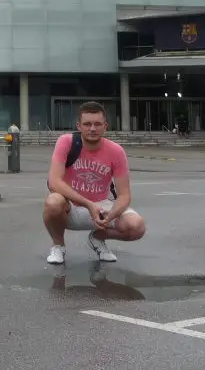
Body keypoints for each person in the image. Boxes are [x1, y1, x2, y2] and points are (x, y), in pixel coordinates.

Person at [43, 101, 146, 264]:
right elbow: (54, 182)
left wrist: (111, 215)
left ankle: (97, 238)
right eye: (87, 124)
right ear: (79, 125)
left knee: (136, 226)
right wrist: (88, 204)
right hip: (71, 207)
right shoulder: (66, 142)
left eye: (97, 124)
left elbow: (124, 195)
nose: (92, 128)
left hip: (102, 207)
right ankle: (58, 246)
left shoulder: (116, 151)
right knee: (53, 201)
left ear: (105, 126)